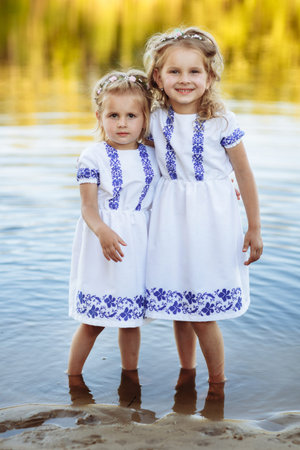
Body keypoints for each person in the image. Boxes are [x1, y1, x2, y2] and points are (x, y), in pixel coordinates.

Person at [143, 27, 263, 383]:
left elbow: (244, 173)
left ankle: (217, 383)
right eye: (174, 71)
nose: (184, 79)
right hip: (169, 217)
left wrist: (254, 227)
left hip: (212, 218)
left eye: (194, 71)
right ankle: (187, 372)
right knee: (180, 304)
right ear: (158, 77)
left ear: (210, 76)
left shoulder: (221, 121)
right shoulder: (153, 119)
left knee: (201, 310)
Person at [68, 69, 160, 376]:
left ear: (145, 119)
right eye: (114, 115)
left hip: (138, 245)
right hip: (102, 243)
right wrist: (103, 231)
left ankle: (129, 375)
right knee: (93, 321)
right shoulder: (92, 156)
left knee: (131, 319)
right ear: (99, 116)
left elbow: (182, 177)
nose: (122, 123)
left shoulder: (152, 155)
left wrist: (229, 185)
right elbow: (88, 208)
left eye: (131, 115)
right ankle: (73, 378)